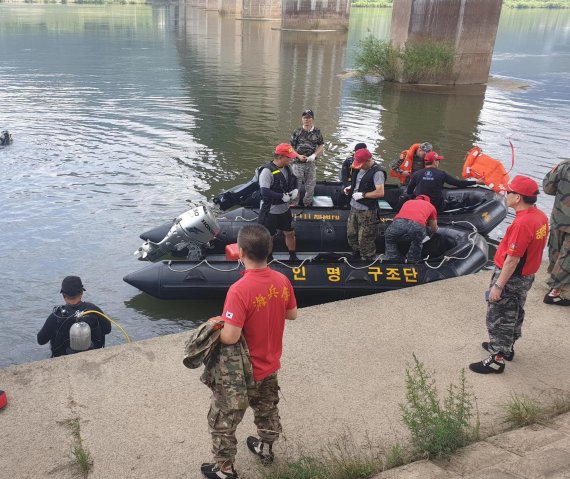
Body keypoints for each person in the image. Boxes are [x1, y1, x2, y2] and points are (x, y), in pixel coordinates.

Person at [200, 224, 298, 479]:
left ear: (240, 252)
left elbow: (230, 337)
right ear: (270, 249)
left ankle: (224, 469)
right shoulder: (282, 280)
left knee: (223, 420)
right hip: (270, 365)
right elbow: (292, 314)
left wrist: (215, 325)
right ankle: (265, 449)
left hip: (241, 374)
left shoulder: (239, 290)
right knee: (267, 410)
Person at [469, 176, 548, 374]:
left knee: (499, 316)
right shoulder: (540, 217)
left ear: (518, 197)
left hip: (512, 277)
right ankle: (507, 348)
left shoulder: (521, 224)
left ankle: (497, 359)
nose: (506, 195)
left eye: (509, 192)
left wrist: (498, 285)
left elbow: (512, 259)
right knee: (515, 312)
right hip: (526, 275)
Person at [37, 276, 111, 358]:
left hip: (63, 360)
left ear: (63, 295)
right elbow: (108, 329)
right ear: (82, 293)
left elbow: (41, 340)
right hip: (93, 356)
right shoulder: (93, 310)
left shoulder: (56, 316)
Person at [258, 143, 299, 261]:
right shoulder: (267, 171)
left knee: (290, 233)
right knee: (269, 236)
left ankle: (292, 255)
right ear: (280, 157)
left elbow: (294, 179)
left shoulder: (287, 167)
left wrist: (295, 189)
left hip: (284, 209)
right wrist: (281, 196)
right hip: (270, 210)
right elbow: (264, 191)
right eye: (289, 157)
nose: (291, 159)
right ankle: (269, 258)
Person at [344, 147, 386, 261]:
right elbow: (358, 183)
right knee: (351, 234)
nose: (360, 166)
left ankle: (368, 259)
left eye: (361, 164)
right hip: (354, 207)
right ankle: (356, 253)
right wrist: (350, 188)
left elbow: (380, 192)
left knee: (365, 238)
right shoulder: (358, 168)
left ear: (368, 161)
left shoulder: (377, 173)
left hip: (367, 210)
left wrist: (363, 195)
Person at [406, 151, 483, 212]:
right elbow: (458, 183)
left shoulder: (416, 174)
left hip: (419, 205)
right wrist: (476, 182)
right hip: (436, 207)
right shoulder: (441, 174)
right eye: (438, 160)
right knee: (457, 204)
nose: (439, 162)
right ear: (435, 161)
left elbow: (409, 191)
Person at [383, 195, 438, 263]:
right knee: (417, 242)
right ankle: (412, 261)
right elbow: (434, 228)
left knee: (389, 238)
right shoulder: (430, 206)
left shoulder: (408, 202)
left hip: (399, 223)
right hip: (418, 225)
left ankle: (393, 259)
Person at [289, 109, 325, 207]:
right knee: (296, 184)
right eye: (304, 117)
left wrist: (314, 155)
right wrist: (298, 156)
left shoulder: (317, 132)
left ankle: (307, 203)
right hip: (297, 163)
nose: (306, 120)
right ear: (302, 119)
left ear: (312, 119)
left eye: (308, 117)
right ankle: (294, 203)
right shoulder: (297, 131)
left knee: (310, 184)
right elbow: (291, 147)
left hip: (311, 163)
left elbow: (321, 145)